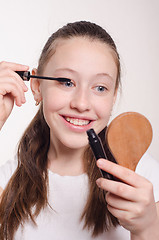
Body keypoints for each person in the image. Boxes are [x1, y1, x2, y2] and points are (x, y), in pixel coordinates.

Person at [0, 21, 159, 240]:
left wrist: (147, 229)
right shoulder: (6, 182)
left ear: (113, 97)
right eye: (66, 82)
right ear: (37, 87)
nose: (82, 103)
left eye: (100, 88)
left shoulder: (146, 180)